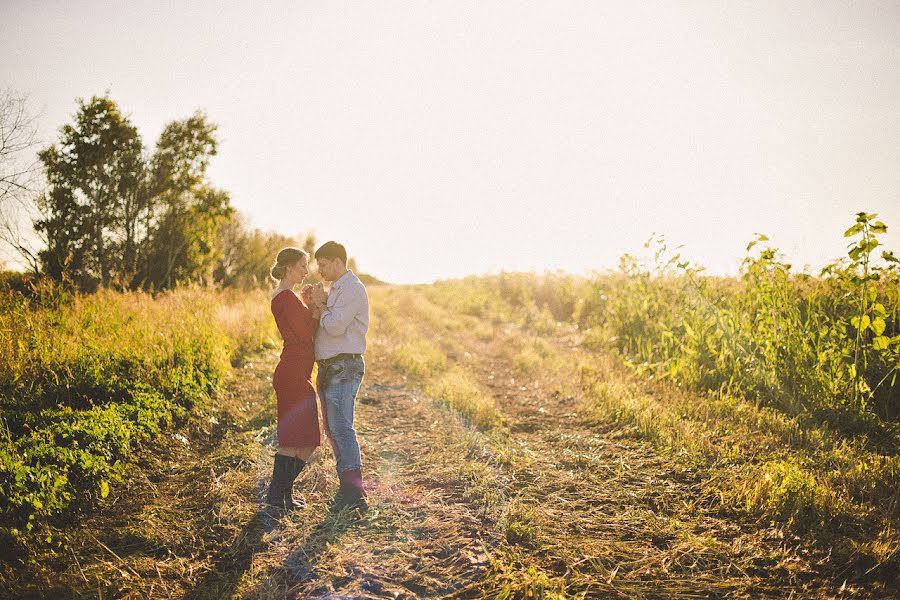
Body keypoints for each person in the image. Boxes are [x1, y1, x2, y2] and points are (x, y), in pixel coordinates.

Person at [302, 241, 370, 511]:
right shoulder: (337, 289)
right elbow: (325, 320)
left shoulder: (352, 289)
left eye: (324, 265)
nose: (320, 271)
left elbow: (335, 326)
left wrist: (321, 305)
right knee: (333, 430)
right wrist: (317, 304)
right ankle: (347, 489)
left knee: (342, 429)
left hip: (344, 365)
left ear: (339, 262)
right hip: (331, 366)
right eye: (319, 265)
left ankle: (355, 495)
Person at [266, 247, 322, 511]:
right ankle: (277, 497)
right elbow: (304, 335)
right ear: (288, 267)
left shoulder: (291, 296)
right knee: (294, 440)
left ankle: (282, 495)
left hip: (299, 373)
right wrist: (315, 309)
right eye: (302, 265)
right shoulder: (285, 297)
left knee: (307, 439)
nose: (305, 271)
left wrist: (309, 305)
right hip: (292, 375)